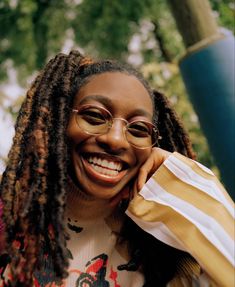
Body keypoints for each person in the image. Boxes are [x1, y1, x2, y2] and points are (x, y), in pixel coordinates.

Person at [0, 50, 234, 287]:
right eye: (94, 116)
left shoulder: (164, 257)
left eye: (139, 129)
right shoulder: (7, 213)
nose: (115, 140)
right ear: (57, 120)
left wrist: (180, 179)